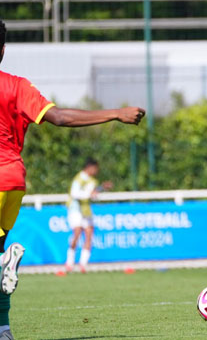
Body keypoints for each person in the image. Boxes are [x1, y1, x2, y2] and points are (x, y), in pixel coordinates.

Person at [0, 20, 145, 340]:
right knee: (1, 258)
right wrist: (115, 113)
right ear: (3, 49)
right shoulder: (17, 85)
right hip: (13, 181)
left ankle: (3, 266)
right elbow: (60, 118)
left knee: (0, 263)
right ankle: (3, 329)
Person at [64, 158, 112, 274]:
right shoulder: (79, 178)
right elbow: (75, 194)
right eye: (95, 168)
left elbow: (92, 193)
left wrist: (102, 188)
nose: (96, 171)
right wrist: (89, 194)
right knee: (77, 233)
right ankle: (70, 262)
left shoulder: (93, 181)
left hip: (86, 210)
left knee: (89, 234)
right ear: (90, 167)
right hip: (75, 209)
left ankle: (83, 264)